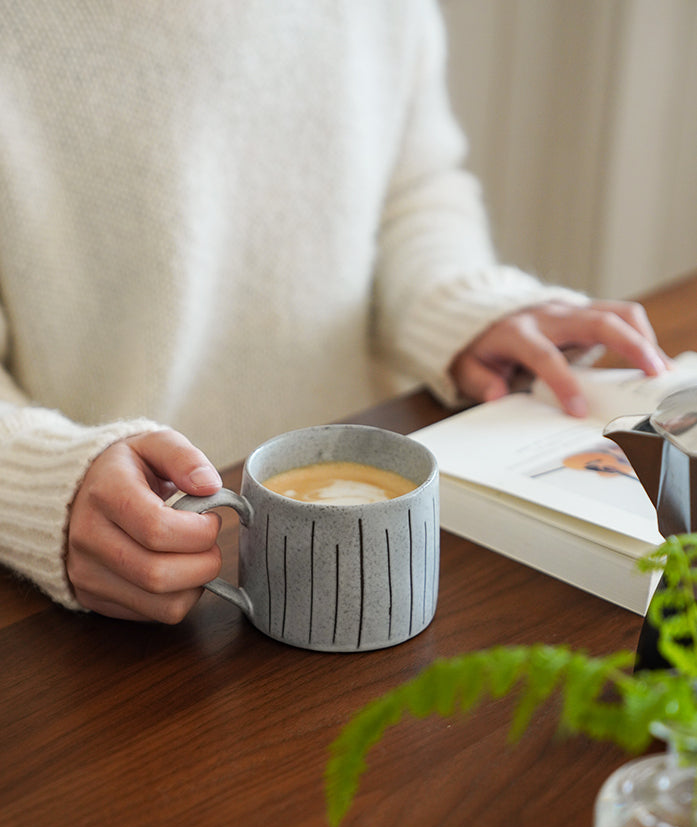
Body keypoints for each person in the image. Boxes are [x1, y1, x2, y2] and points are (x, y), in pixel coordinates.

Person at [0, 1, 667, 624]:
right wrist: (39, 480)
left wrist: (463, 305)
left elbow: (413, 189)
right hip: (111, 596)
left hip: (402, 524)